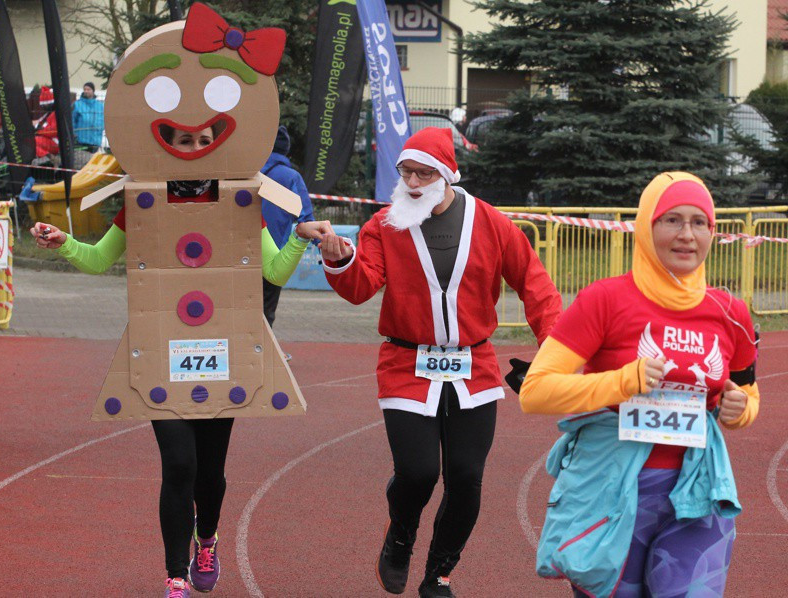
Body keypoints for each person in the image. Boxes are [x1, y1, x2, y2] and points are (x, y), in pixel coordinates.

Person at [31, 125, 339, 598]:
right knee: (179, 464)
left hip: (223, 352)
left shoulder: (239, 201)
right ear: (167, 146)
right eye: (184, 141)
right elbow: (98, 260)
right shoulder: (143, 201)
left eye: (203, 140)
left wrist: (300, 236)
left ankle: (207, 539)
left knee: (210, 474)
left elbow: (274, 271)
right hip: (161, 352)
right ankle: (175, 575)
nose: (195, 149)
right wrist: (63, 241)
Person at [320, 126, 562, 597]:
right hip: (405, 363)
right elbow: (360, 287)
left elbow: (537, 287)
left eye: (423, 173)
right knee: (418, 472)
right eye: (405, 172)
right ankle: (401, 535)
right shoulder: (385, 224)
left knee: (466, 477)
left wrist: (554, 351)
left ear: (448, 174)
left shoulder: (493, 223)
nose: (412, 182)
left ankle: (439, 574)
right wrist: (340, 260)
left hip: (475, 365)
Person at [518, 171, 760, 597]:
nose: (687, 235)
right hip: (610, 488)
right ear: (647, 226)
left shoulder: (731, 312)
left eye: (699, 222)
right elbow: (535, 391)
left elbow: (748, 394)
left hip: (696, 490)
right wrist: (622, 382)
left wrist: (740, 410)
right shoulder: (605, 300)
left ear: (713, 232)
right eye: (672, 220)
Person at [261, 125, 314, 327]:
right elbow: (306, 218)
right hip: (274, 256)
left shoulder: (246, 173)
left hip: (238, 253)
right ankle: (264, 344)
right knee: (266, 311)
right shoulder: (290, 177)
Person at [72, 82, 104, 152]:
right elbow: (72, 120)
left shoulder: (100, 105)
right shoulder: (77, 104)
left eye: (88, 89)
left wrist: (101, 128)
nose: (86, 91)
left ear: (93, 91)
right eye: (85, 89)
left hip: (95, 140)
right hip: (81, 140)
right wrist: (74, 133)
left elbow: (104, 120)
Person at [33, 86, 59, 162]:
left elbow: (53, 131)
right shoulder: (48, 114)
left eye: (44, 105)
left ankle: (50, 158)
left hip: (54, 142)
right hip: (47, 139)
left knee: (32, 142)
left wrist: (38, 129)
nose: (43, 107)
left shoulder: (55, 114)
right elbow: (39, 123)